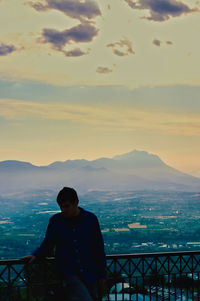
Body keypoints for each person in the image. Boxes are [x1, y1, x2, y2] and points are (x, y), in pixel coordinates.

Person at [23, 187, 106, 301]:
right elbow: (48, 244)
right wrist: (36, 255)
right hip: (69, 273)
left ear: (76, 202)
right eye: (61, 207)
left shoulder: (90, 219)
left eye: (66, 206)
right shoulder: (56, 221)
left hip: (90, 272)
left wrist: (102, 274)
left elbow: (98, 248)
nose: (63, 210)